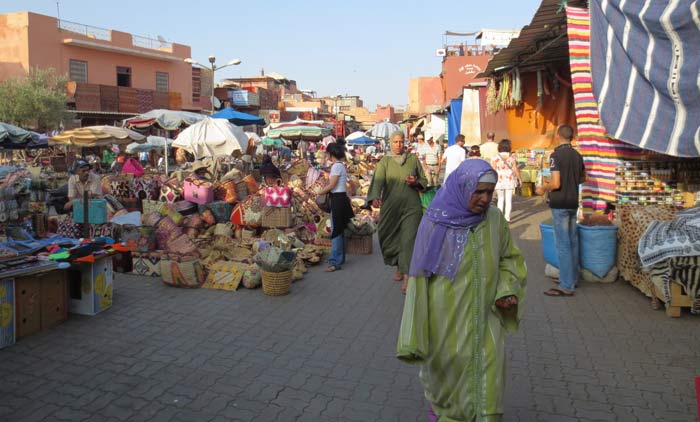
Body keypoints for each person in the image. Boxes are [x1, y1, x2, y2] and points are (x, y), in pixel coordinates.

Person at [397, 159, 527, 422]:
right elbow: (420, 281)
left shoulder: (494, 220)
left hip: (486, 320)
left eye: (489, 193)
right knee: (448, 390)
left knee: (489, 385)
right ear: (462, 187)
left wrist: (506, 289)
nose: (484, 199)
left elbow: (509, 259)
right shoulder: (435, 222)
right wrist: (415, 335)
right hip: (445, 326)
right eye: (478, 191)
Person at [367, 131, 427, 293]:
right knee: (387, 236)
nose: (398, 145)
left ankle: (408, 276)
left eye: (401, 142)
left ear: (405, 142)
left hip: (411, 207)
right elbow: (378, 180)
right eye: (395, 142)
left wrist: (416, 182)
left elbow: (424, 180)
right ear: (390, 143)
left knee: (408, 239)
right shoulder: (385, 161)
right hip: (391, 207)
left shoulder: (413, 159)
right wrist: (374, 197)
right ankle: (399, 264)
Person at [538, 124, 585, 297]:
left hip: (560, 204)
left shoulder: (555, 156)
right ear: (572, 137)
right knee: (573, 242)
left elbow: (556, 183)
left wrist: (543, 187)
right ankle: (571, 278)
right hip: (573, 202)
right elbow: (583, 178)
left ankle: (566, 285)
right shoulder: (578, 156)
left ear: (559, 136)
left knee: (563, 245)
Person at [317, 143, 354, 272]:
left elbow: (332, 185)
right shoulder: (341, 166)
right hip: (342, 199)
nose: (327, 155)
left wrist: (320, 192)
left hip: (338, 200)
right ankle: (340, 258)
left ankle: (334, 262)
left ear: (331, 154)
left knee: (336, 231)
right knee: (340, 230)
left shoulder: (336, 167)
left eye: (327, 153)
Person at [491, 139, 522, 223]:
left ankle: (499, 218)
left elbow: (493, 170)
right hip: (509, 179)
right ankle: (507, 218)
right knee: (508, 199)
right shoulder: (512, 157)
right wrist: (519, 179)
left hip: (499, 179)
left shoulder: (495, 157)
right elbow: (515, 168)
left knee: (500, 199)